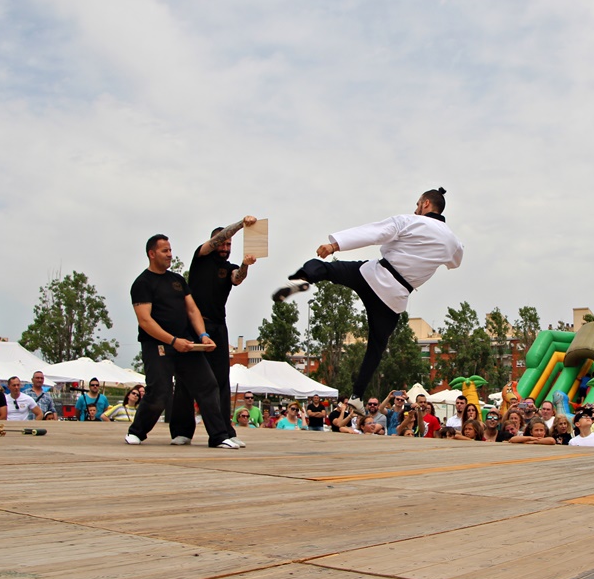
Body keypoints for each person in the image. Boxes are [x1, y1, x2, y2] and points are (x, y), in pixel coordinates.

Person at [273, 187, 463, 411]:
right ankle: (357, 396)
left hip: (373, 276)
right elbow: (455, 262)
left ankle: (303, 277)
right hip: (395, 298)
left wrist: (334, 245)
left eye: (418, 204)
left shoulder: (410, 221)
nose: (415, 209)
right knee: (376, 348)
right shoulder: (453, 243)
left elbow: (374, 233)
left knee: (327, 269)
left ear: (426, 204)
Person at [125, 234, 239, 448]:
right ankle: (137, 431)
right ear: (152, 254)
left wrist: (203, 335)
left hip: (186, 344)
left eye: (170, 250)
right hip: (158, 345)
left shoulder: (177, 280)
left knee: (208, 385)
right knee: (160, 391)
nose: (170, 254)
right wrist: (172, 341)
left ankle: (219, 436)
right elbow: (145, 321)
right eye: (165, 251)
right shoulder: (142, 283)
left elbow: (192, 310)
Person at [173, 216, 258, 446]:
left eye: (229, 245)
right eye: (223, 243)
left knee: (221, 380)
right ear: (215, 241)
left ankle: (224, 431)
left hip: (218, 326)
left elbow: (237, 279)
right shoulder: (201, 257)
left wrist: (246, 265)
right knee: (186, 378)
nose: (226, 247)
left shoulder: (228, 267)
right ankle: (182, 431)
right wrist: (240, 224)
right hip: (193, 325)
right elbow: (217, 239)